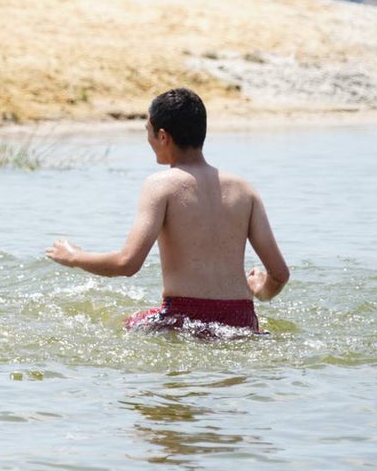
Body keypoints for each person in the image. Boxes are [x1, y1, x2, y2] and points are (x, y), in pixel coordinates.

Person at [45, 87, 290, 335]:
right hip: (242, 321)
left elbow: (127, 263)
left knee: (113, 327)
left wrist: (74, 256)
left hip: (184, 318)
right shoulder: (244, 190)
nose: (147, 139)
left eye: (147, 131)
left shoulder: (161, 185)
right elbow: (279, 274)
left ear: (163, 137)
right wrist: (261, 290)